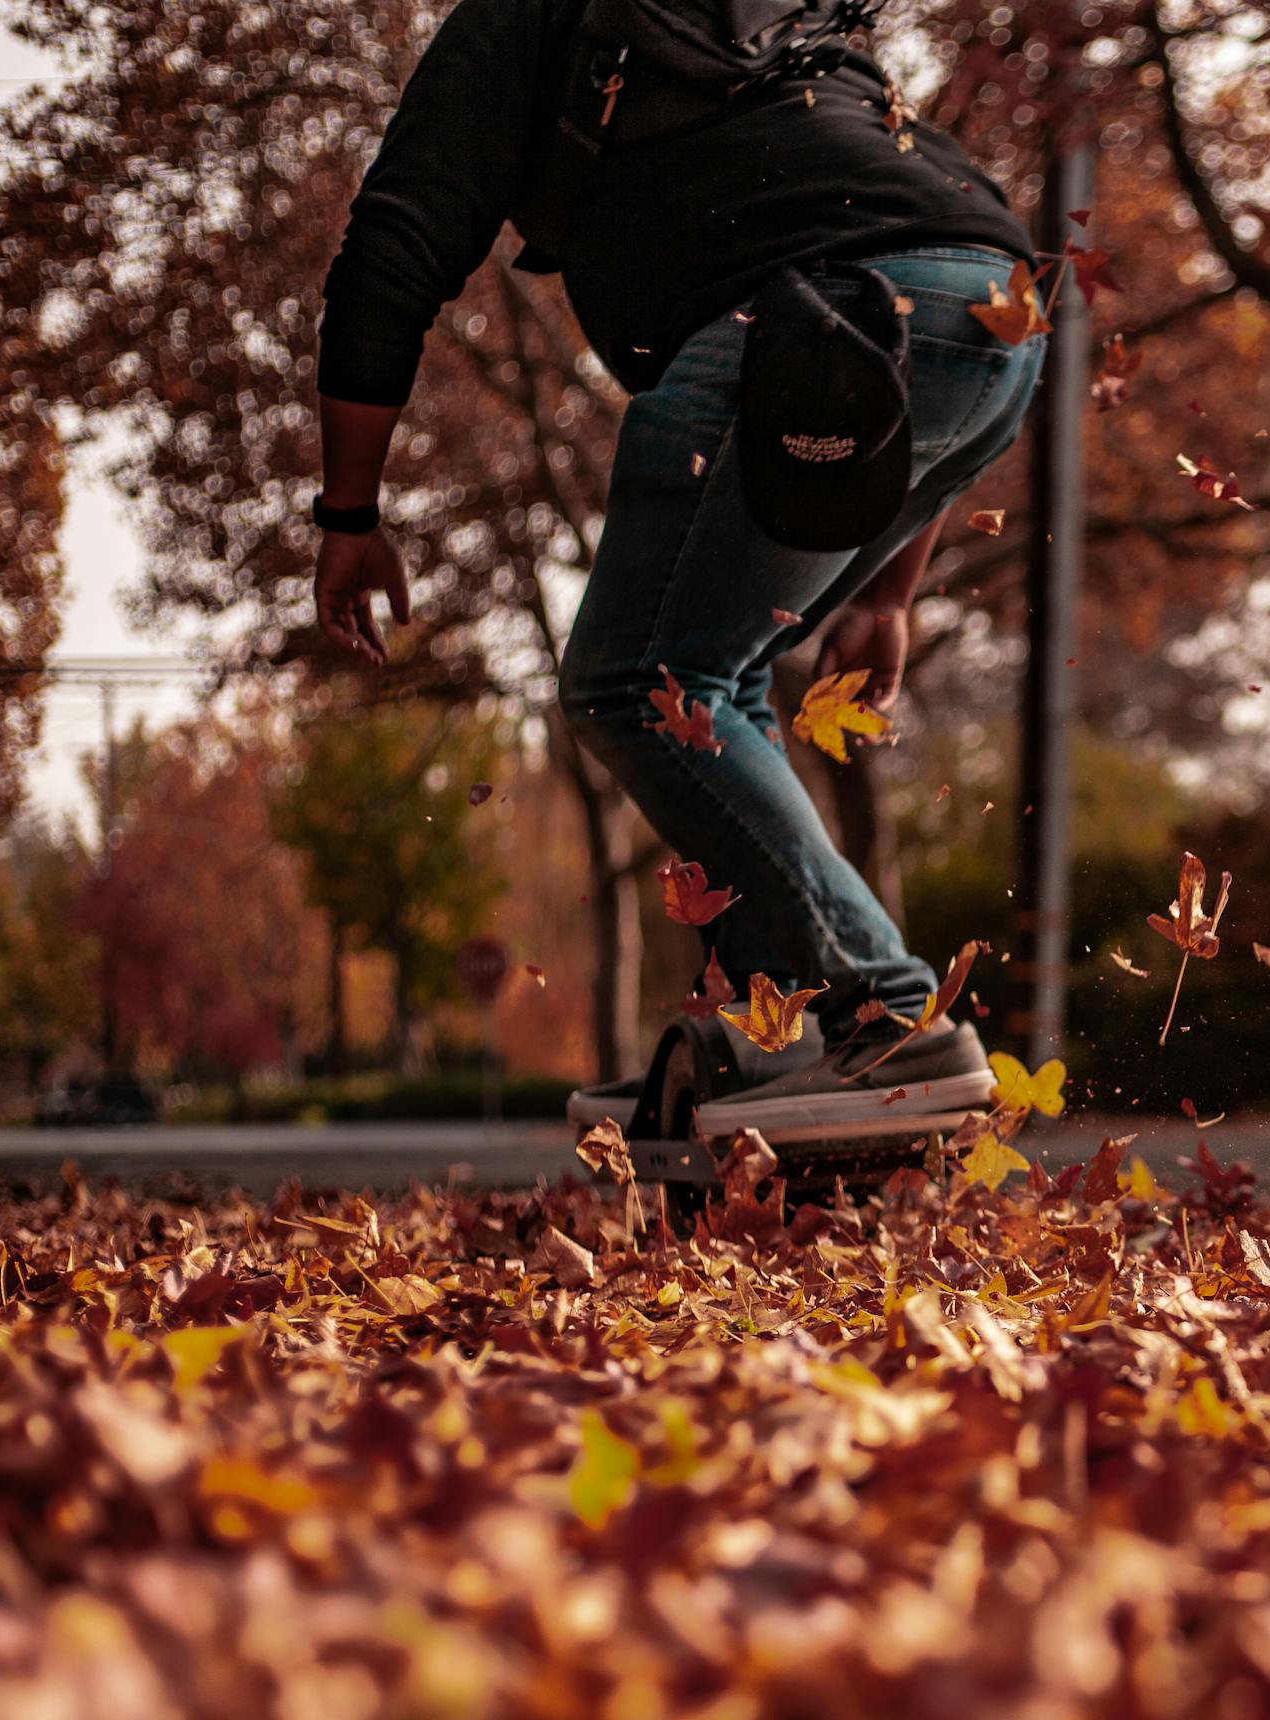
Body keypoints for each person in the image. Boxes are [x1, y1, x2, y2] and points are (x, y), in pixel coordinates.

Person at [307, 0, 1038, 1135]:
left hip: (806, 314)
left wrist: (349, 512)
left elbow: (392, 250)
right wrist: (888, 594)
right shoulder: (766, 17)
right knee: (715, 683)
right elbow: (928, 279)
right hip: (995, 315)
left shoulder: (521, 20)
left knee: (638, 680)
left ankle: (889, 1015)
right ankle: (778, 1046)